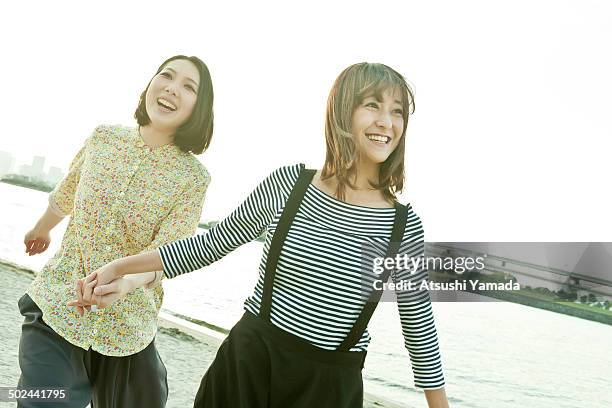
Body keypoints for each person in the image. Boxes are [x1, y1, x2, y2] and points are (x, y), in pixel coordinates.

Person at [73, 62, 450, 408]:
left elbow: (418, 326)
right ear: (341, 111)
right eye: (372, 105)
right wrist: (120, 267)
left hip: (329, 387)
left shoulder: (404, 226)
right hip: (247, 367)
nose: (387, 121)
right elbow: (209, 245)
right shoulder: (289, 185)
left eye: (397, 111)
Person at [19, 55, 214, 408]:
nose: (173, 88)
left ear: (200, 108)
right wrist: (41, 229)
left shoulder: (193, 179)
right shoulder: (104, 138)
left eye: (189, 87)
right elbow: (67, 193)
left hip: (128, 328)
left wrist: (126, 283)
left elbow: (169, 254)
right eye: (166, 76)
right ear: (150, 85)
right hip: (59, 303)